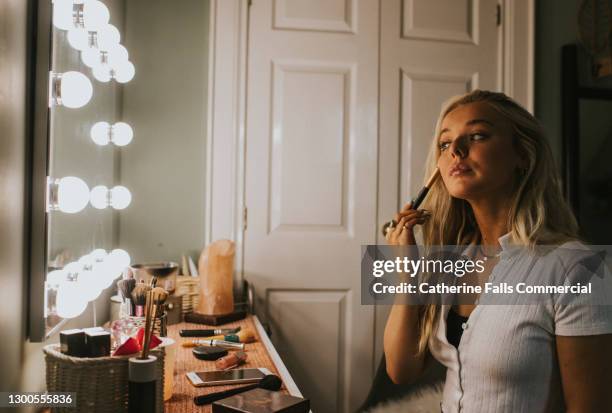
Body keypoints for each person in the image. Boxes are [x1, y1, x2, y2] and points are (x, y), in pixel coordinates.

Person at [383, 90, 612, 412]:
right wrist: (407, 272)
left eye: (477, 135)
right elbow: (400, 370)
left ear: (523, 155)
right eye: (445, 144)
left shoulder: (577, 268)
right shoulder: (450, 262)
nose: (456, 152)